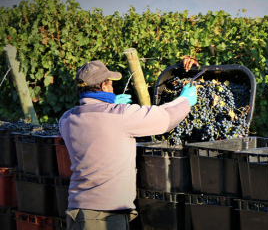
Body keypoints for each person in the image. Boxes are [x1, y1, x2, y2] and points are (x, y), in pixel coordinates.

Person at [59, 60, 197, 230]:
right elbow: (165, 118)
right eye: (111, 84)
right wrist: (184, 100)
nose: (112, 88)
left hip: (77, 212)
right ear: (103, 86)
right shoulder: (120, 115)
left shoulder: (66, 119)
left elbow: (96, 124)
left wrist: (112, 104)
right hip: (104, 217)